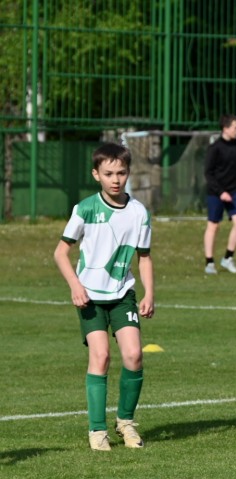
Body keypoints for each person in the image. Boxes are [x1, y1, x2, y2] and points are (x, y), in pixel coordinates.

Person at [53, 143, 154, 451]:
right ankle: (97, 430)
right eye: (108, 174)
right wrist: (75, 285)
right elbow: (60, 253)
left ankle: (126, 422)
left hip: (123, 294)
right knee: (101, 357)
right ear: (96, 174)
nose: (116, 179)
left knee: (134, 355)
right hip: (89, 297)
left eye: (121, 173)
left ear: (128, 173)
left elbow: (144, 257)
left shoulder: (139, 213)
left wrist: (149, 293)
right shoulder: (85, 209)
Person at [203, 114, 236, 274]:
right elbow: (208, 173)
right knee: (213, 226)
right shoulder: (215, 148)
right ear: (225, 128)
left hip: (233, 190)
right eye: (235, 127)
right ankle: (209, 263)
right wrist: (221, 192)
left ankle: (228, 258)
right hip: (216, 192)